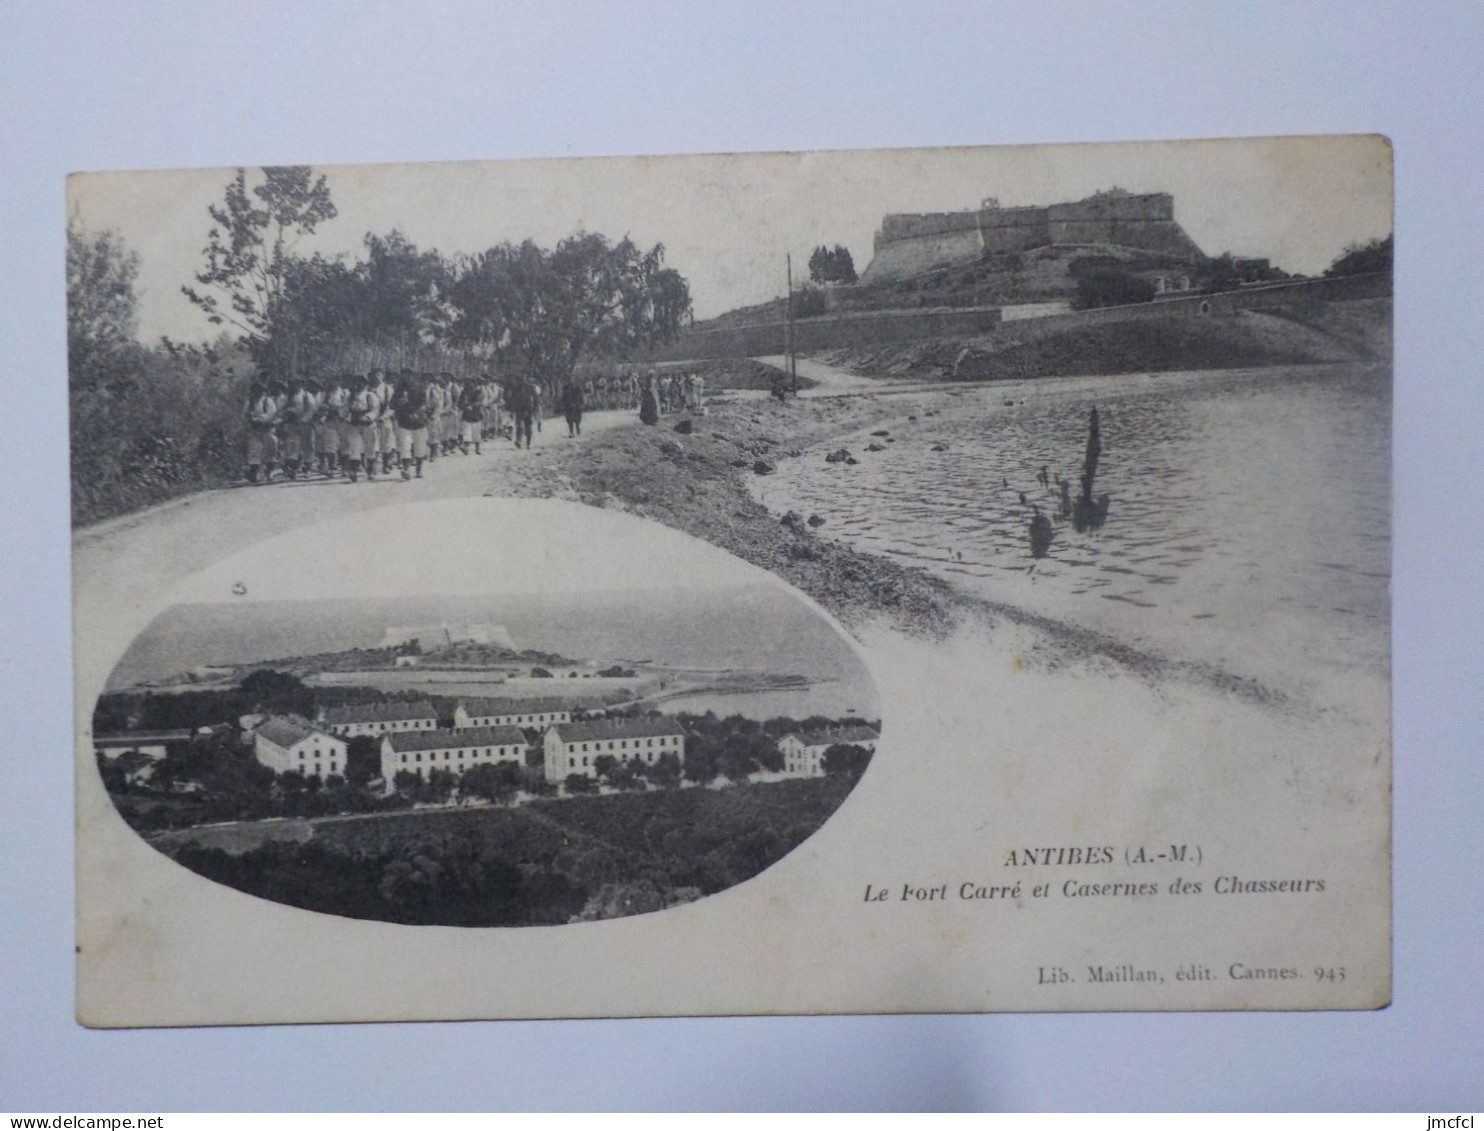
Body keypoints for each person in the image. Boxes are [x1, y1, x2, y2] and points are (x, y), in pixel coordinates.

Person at [391, 373, 430, 479]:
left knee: (420, 446)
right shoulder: (397, 391)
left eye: (408, 376)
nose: (406, 378)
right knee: (405, 446)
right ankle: (406, 469)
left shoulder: (420, 388)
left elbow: (424, 404)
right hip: (404, 422)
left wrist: (416, 413)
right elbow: (392, 404)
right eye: (404, 376)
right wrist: (398, 402)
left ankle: (419, 470)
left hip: (419, 421)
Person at [244, 378, 281, 483]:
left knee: (271, 450)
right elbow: (246, 413)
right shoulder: (250, 402)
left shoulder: (268, 401)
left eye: (259, 389)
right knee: (254, 451)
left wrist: (259, 419)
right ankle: (254, 473)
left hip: (267, 429)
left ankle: (268, 471)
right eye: (255, 390)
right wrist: (250, 418)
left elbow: (271, 413)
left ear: (263, 391)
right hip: (254, 429)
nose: (257, 392)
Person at [507, 374, 536, 449]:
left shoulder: (517, 388)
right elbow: (536, 399)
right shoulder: (529, 387)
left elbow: (536, 398)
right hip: (523, 409)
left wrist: (512, 408)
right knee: (524, 426)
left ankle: (523, 442)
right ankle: (524, 443)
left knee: (523, 426)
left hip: (524, 409)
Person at [459, 377, 485, 454]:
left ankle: (477, 448)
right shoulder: (464, 392)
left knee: (476, 432)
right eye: (467, 383)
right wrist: (463, 406)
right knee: (467, 432)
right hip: (466, 415)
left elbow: (479, 401)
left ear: (474, 383)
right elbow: (460, 402)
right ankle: (466, 448)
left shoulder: (479, 392)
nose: (469, 384)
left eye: (471, 383)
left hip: (476, 414)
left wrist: (472, 406)